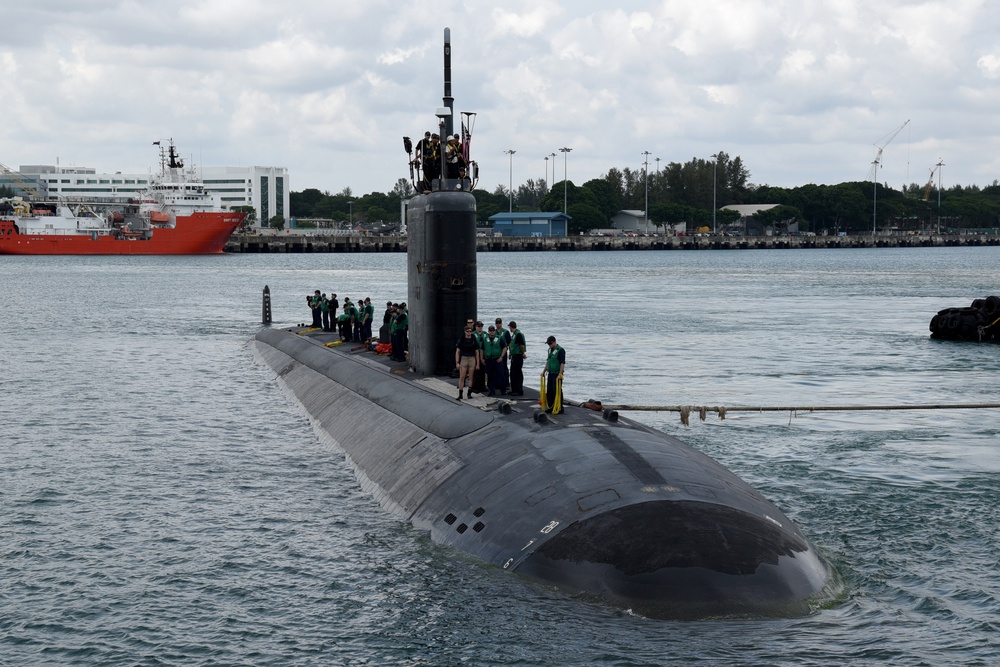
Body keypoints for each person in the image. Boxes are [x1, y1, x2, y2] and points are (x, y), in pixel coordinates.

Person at [541, 335, 565, 413]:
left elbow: (562, 363)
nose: (549, 345)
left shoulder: (560, 350)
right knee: (550, 391)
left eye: (550, 344)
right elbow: (548, 361)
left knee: (557, 391)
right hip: (550, 373)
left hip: (557, 374)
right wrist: (544, 371)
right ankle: (551, 406)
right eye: (548, 344)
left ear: (554, 342)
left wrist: (560, 374)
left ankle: (559, 407)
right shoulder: (550, 350)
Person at [454, 325, 479, 400]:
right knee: (462, 377)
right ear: (465, 332)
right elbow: (457, 352)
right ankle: (460, 394)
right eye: (467, 331)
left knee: (471, 377)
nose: (469, 333)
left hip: (472, 359)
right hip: (464, 358)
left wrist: (478, 364)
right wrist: (457, 362)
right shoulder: (461, 340)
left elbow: (477, 352)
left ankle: (469, 393)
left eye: (470, 331)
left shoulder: (474, 339)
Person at [482, 325, 508, 396]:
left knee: (500, 375)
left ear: (495, 331)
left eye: (493, 331)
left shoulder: (499, 338)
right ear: (488, 332)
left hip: (497, 360)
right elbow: (482, 349)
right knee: (490, 376)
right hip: (489, 360)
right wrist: (482, 358)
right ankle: (491, 391)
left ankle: (503, 390)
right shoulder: (485, 339)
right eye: (490, 331)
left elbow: (505, 348)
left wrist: (501, 357)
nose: (492, 332)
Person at [507, 321, 526, 395]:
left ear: (511, 327)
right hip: (514, 356)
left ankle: (519, 390)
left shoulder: (518, 334)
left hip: (518, 356)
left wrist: (523, 353)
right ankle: (514, 389)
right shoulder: (514, 335)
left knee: (517, 373)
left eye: (510, 327)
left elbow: (521, 345)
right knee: (513, 373)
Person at [495, 317, 510, 394]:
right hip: (496, 353)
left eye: (499, 323)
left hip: (503, 353)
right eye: (497, 323)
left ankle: (506, 383)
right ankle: (497, 383)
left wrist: (510, 352)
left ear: (501, 323)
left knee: (504, 368)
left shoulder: (505, 332)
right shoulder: (493, 332)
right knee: (496, 369)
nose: (498, 325)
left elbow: (509, 343)